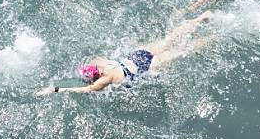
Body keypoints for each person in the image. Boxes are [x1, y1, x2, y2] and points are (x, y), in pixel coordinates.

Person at [36, 11, 213, 94]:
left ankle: (211, 38)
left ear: (94, 77)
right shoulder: (101, 62)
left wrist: (55, 90)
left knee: (182, 51)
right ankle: (200, 19)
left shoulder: (105, 80)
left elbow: (83, 90)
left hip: (145, 66)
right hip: (137, 55)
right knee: (169, 39)